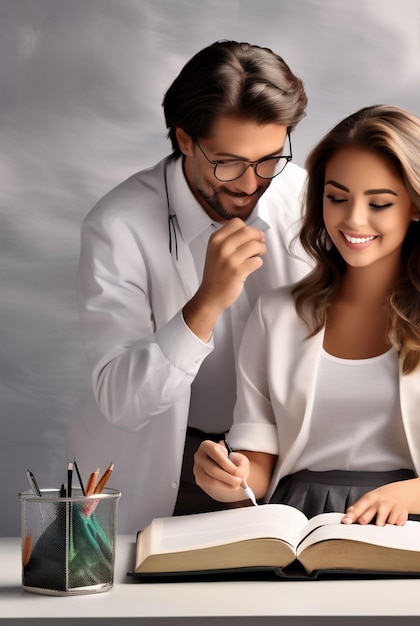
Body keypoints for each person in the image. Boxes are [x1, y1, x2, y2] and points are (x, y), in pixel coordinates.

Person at [194, 104, 420, 532]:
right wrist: (228, 479)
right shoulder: (275, 313)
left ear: (416, 206)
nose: (353, 219)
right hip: (298, 524)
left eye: (379, 203)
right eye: (337, 198)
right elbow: (258, 467)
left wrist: (401, 497)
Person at [66, 40, 310, 534]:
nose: (249, 184)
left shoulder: (307, 199)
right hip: (167, 467)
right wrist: (206, 303)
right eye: (227, 163)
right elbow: (122, 401)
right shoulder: (118, 225)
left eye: (268, 160)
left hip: (284, 462)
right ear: (183, 139)